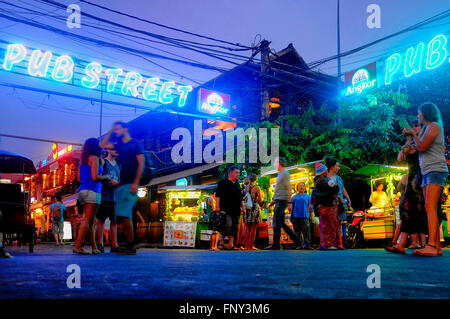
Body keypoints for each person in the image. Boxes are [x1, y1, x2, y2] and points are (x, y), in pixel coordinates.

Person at [404, 102, 449, 257]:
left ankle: (431, 245)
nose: (418, 116)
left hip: (436, 170)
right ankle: (436, 246)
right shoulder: (425, 130)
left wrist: (414, 134)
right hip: (427, 171)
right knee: (430, 208)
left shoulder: (435, 126)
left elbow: (422, 147)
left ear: (425, 113)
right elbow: (414, 149)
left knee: (430, 208)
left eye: (419, 113)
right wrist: (410, 138)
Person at [100, 121, 144, 255]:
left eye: (118, 129)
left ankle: (131, 245)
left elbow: (141, 163)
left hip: (130, 183)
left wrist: (136, 182)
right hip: (122, 184)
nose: (116, 132)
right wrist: (110, 131)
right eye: (115, 130)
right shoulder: (120, 145)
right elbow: (102, 145)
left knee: (125, 215)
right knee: (123, 216)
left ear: (126, 129)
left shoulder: (135, 143)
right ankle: (129, 244)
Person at [74, 138, 110, 255]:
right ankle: (78, 246)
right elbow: (95, 177)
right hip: (93, 191)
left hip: (82, 190)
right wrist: (106, 177)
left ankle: (95, 247)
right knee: (87, 220)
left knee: (91, 221)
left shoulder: (82, 160)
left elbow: (79, 179)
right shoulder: (94, 158)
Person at [266, 157, 301, 250]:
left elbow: (289, 188)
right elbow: (279, 190)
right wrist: (272, 202)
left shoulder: (284, 174)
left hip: (282, 201)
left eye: (275, 162)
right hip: (279, 201)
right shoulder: (281, 174)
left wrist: (289, 202)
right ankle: (293, 242)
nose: (274, 164)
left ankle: (278, 244)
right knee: (280, 223)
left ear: (279, 163)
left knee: (276, 223)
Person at [96, 148, 120, 253]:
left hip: (114, 196)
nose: (116, 151)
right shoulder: (104, 162)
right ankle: (100, 243)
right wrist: (110, 181)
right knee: (101, 220)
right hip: (104, 195)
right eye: (114, 149)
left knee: (114, 221)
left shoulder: (118, 165)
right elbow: (99, 176)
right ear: (109, 150)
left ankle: (114, 244)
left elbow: (118, 178)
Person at [214, 166, 244, 250]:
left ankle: (231, 245)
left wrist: (243, 208)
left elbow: (240, 197)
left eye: (238, 173)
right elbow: (218, 195)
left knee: (235, 227)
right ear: (230, 173)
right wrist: (217, 206)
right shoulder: (223, 182)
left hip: (236, 209)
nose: (238, 174)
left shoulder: (237, 184)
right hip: (225, 208)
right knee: (227, 225)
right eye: (236, 172)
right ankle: (221, 242)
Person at [312, 162, 340, 250]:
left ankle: (323, 244)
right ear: (323, 172)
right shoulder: (323, 180)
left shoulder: (318, 181)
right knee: (329, 225)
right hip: (327, 206)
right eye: (325, 170)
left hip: (321, 206)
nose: (327, 171)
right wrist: (336, 186)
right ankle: (330, 244)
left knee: (324, 225)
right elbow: (334, 189)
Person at [325, 158, 351, 248]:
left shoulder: (338, 178)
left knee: (339, 223)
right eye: (337, 166)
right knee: (332, 224)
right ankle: (331, 243)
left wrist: (348, 199)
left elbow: (343, 189)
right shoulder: (326, 178)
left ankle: (339, 243)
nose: (339, 168)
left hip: (340, 204)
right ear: (332, 167)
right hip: (331, 204)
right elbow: (330, 192)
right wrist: (339, 198)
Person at [242, 174, 262, 250]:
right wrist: (257, 199)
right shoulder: (256, 188)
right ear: (255, 180)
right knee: (253, 228)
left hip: (246, 209)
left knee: (247, 227)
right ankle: (250, 246)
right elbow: (260, 200)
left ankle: (246, 246)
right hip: (254, 208)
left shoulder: (244, 189)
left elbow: (243, 199)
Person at [290, 182, 313, 249]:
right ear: (297, 188)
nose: (301, 187)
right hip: (295, 216)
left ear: (305, 188)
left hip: (304, 216)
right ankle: (299, 245)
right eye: (300, 186)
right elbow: (291, 208)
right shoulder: (293, 197)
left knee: (306, 231)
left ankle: (307, 244)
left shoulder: (308, 197)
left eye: (303, 186)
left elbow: (310, 207)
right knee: (297, 232)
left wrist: (311, 215)